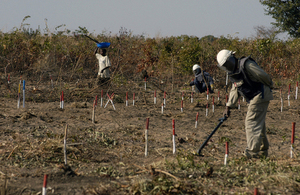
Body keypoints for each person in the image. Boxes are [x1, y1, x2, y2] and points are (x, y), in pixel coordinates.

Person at [216, 49, 273, 159]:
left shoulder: (246, 64)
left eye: (227, 63)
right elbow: (235, 88)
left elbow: (262, 75)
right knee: (258, 123)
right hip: (253, 97)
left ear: (232, 57)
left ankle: (252, 152)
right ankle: (262, 151)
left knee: (251, 122)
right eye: (225, 65)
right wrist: (229, 106)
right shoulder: (233, 72)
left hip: (260, 94)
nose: (227, 66)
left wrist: (270, 84)